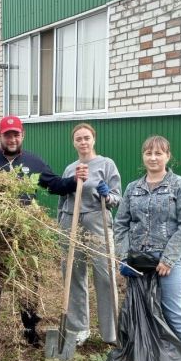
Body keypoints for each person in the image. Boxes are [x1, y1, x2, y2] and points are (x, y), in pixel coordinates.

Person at [0, 115, 88, 356]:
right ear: (0, 136)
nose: (12, 139)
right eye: (7, 134)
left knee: (27, 282)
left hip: (24, 234)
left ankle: (29, 329)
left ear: (22, 135)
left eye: (16, 134)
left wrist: (73, 180)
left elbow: (54, 184)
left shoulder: (33, 162)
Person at [113, 135, 181, 361]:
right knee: (140, 315)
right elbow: (121, 224)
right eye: (148, 153)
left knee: (175, 314)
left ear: (168, 156)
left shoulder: (180, 186)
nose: (153, 158)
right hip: (138, 263)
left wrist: (168, 259)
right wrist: (123, 257)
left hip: (167, 262)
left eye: (158, 153)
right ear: (142, 157)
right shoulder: (133, 188)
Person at [58, 123, 121, 346]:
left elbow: (117, 199)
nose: (83, 142)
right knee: (74, 276)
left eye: (86, 138)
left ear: (93, 139)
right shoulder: (70, 168)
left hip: (97, 221)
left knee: (105, 276)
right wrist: (61, 226)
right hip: (71, 222)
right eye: (78, 139)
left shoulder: (106, 164)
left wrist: (108, 196)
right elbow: (63, 199)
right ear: (73, 143)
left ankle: (111, 332)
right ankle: (78, 329)